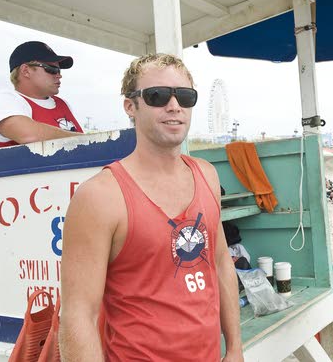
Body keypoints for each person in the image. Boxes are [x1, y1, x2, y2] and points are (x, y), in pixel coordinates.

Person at [59, 54, 243, 361]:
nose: (174, 106)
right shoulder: (101, 196)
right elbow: (79, 316)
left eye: (185, 97)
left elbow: (221, 262)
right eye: (157, 96)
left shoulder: (207, 175)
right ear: (131, 106)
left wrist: (235, 348)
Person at [0, 41, 83, 148]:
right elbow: (28, 135)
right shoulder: (3, 99)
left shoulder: (63, 104)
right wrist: (86, 140)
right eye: (52, 69)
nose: (59, 76)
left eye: (59, 70)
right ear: (26, 71)